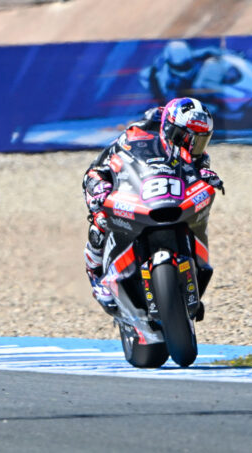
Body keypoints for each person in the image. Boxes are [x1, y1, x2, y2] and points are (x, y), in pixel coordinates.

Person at [82, 97, 223, 314]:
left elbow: (199, 171)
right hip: (122, 187)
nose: (191, 146)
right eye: (185, 138)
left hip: (166, 195)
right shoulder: (135, 135)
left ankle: (191, 271)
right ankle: (96, 275)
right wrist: (100, 187)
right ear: (169, 127)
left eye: (199, 140)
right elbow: (98, 170)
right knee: (100, 218)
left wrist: (208, 176)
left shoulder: (197, 154)